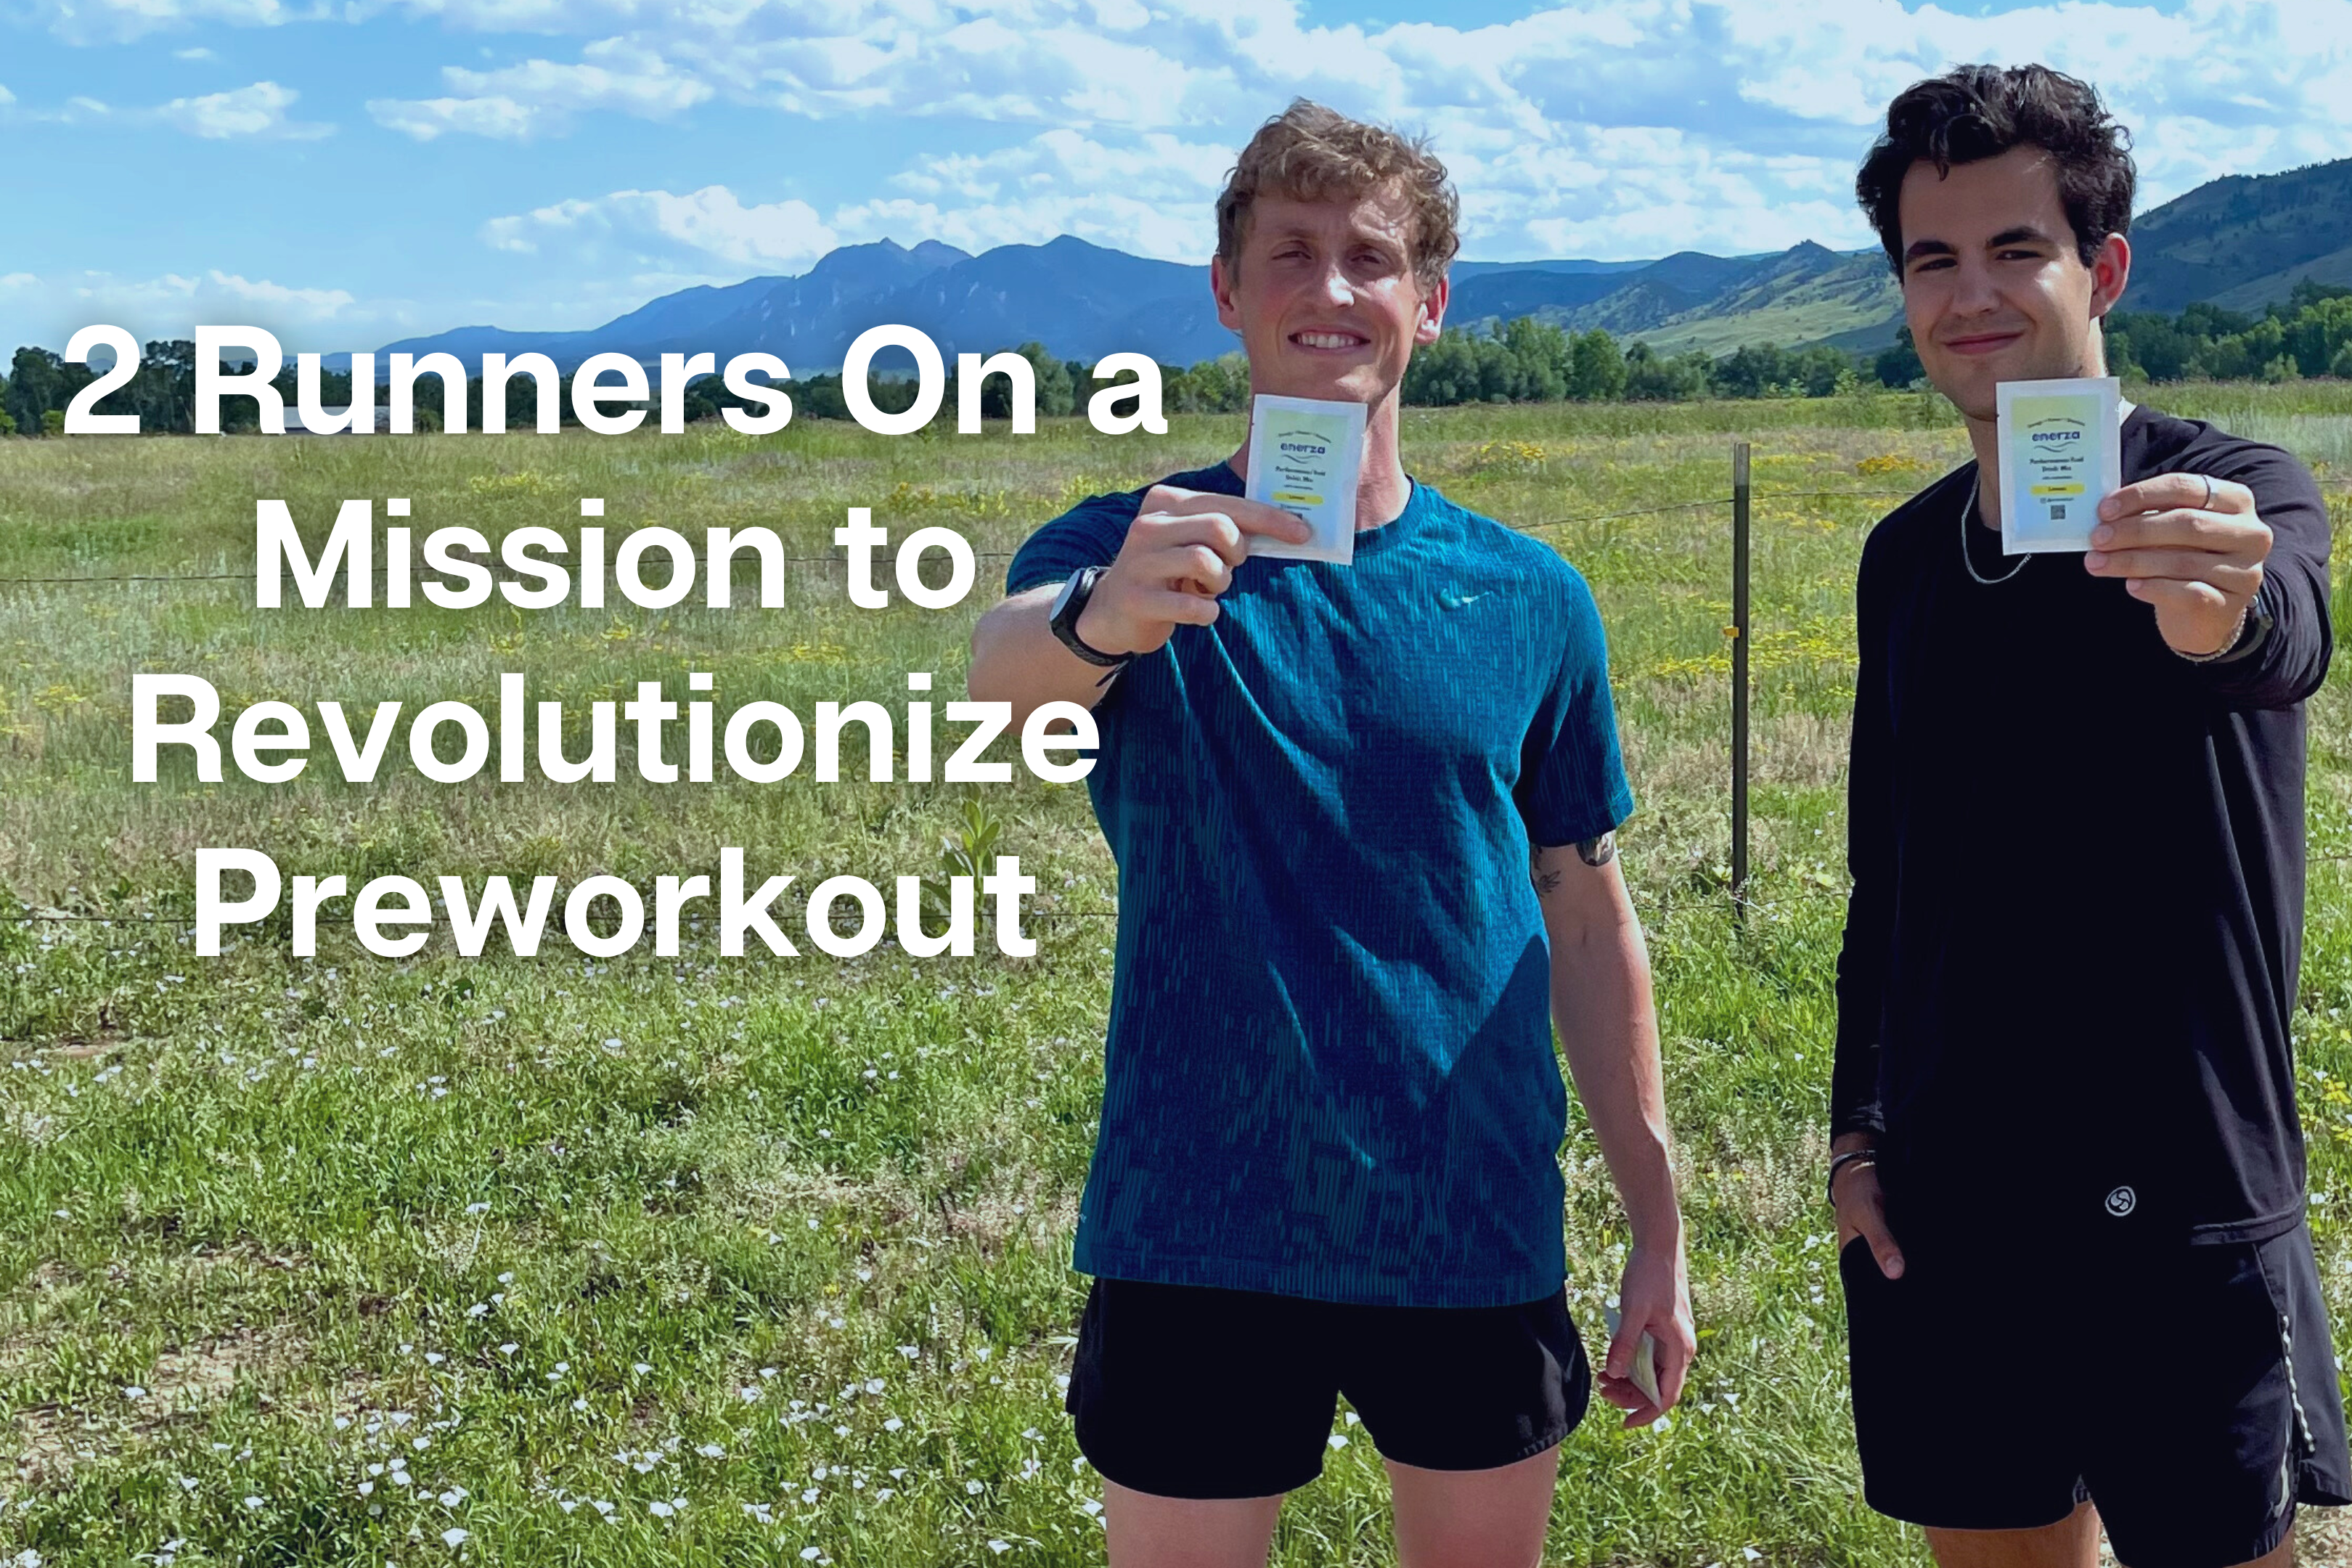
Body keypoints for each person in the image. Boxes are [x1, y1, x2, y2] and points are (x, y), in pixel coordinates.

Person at [968, 99, 1694, 1568]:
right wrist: (1108, 613)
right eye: (1290, 253)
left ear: (1429, 304)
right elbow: (999, 682)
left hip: (1469, 1214)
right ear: (1229, 293)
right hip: (1199, 1221)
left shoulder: (1527, 595)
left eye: (1372, 256)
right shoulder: (1139, 549)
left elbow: (1583, 908)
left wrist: (1658, 1226)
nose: (1333, 289)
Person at [1830, 62, 2349, 1568]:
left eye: (2016, 250)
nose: (1970, 295)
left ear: (2102, 268)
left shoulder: (2229, 495)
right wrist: (1859, 1132)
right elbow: (1887, 874)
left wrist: (2222, 611)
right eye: (1934, 260)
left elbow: (2281, 627)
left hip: (2179, 1205)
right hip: (1952, 1218)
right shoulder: (1908, 557)